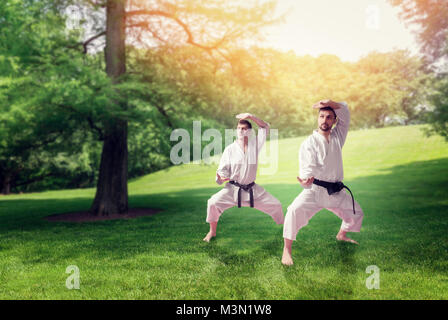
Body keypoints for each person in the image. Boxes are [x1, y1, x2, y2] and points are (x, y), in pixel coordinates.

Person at [281, 99, 364, 265]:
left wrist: (331, 102)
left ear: (334, 120)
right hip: (316, 191)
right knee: (293, 211)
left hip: (337, 191)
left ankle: (341, 235)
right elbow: (306, 171)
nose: (324, 120)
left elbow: (345, 114)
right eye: (321, 116)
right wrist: (306, 181)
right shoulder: (308, 144)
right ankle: (286, 251)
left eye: (328, 117)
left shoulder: (338, 137)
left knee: (356, 212)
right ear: (317, 119)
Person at [203, 113, 284, 242]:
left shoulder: (255, 145)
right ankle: (212, 232)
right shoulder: (229, 150)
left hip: (253, 190)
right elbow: (222, 171)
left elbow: (265, 127)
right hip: (232, 190)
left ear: (250, 131)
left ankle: (284, 230)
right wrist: (221, 177)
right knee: (212, 203)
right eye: (239, 128)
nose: (241, 131)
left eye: (244, 128)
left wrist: (251, 116)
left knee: (276, 205)